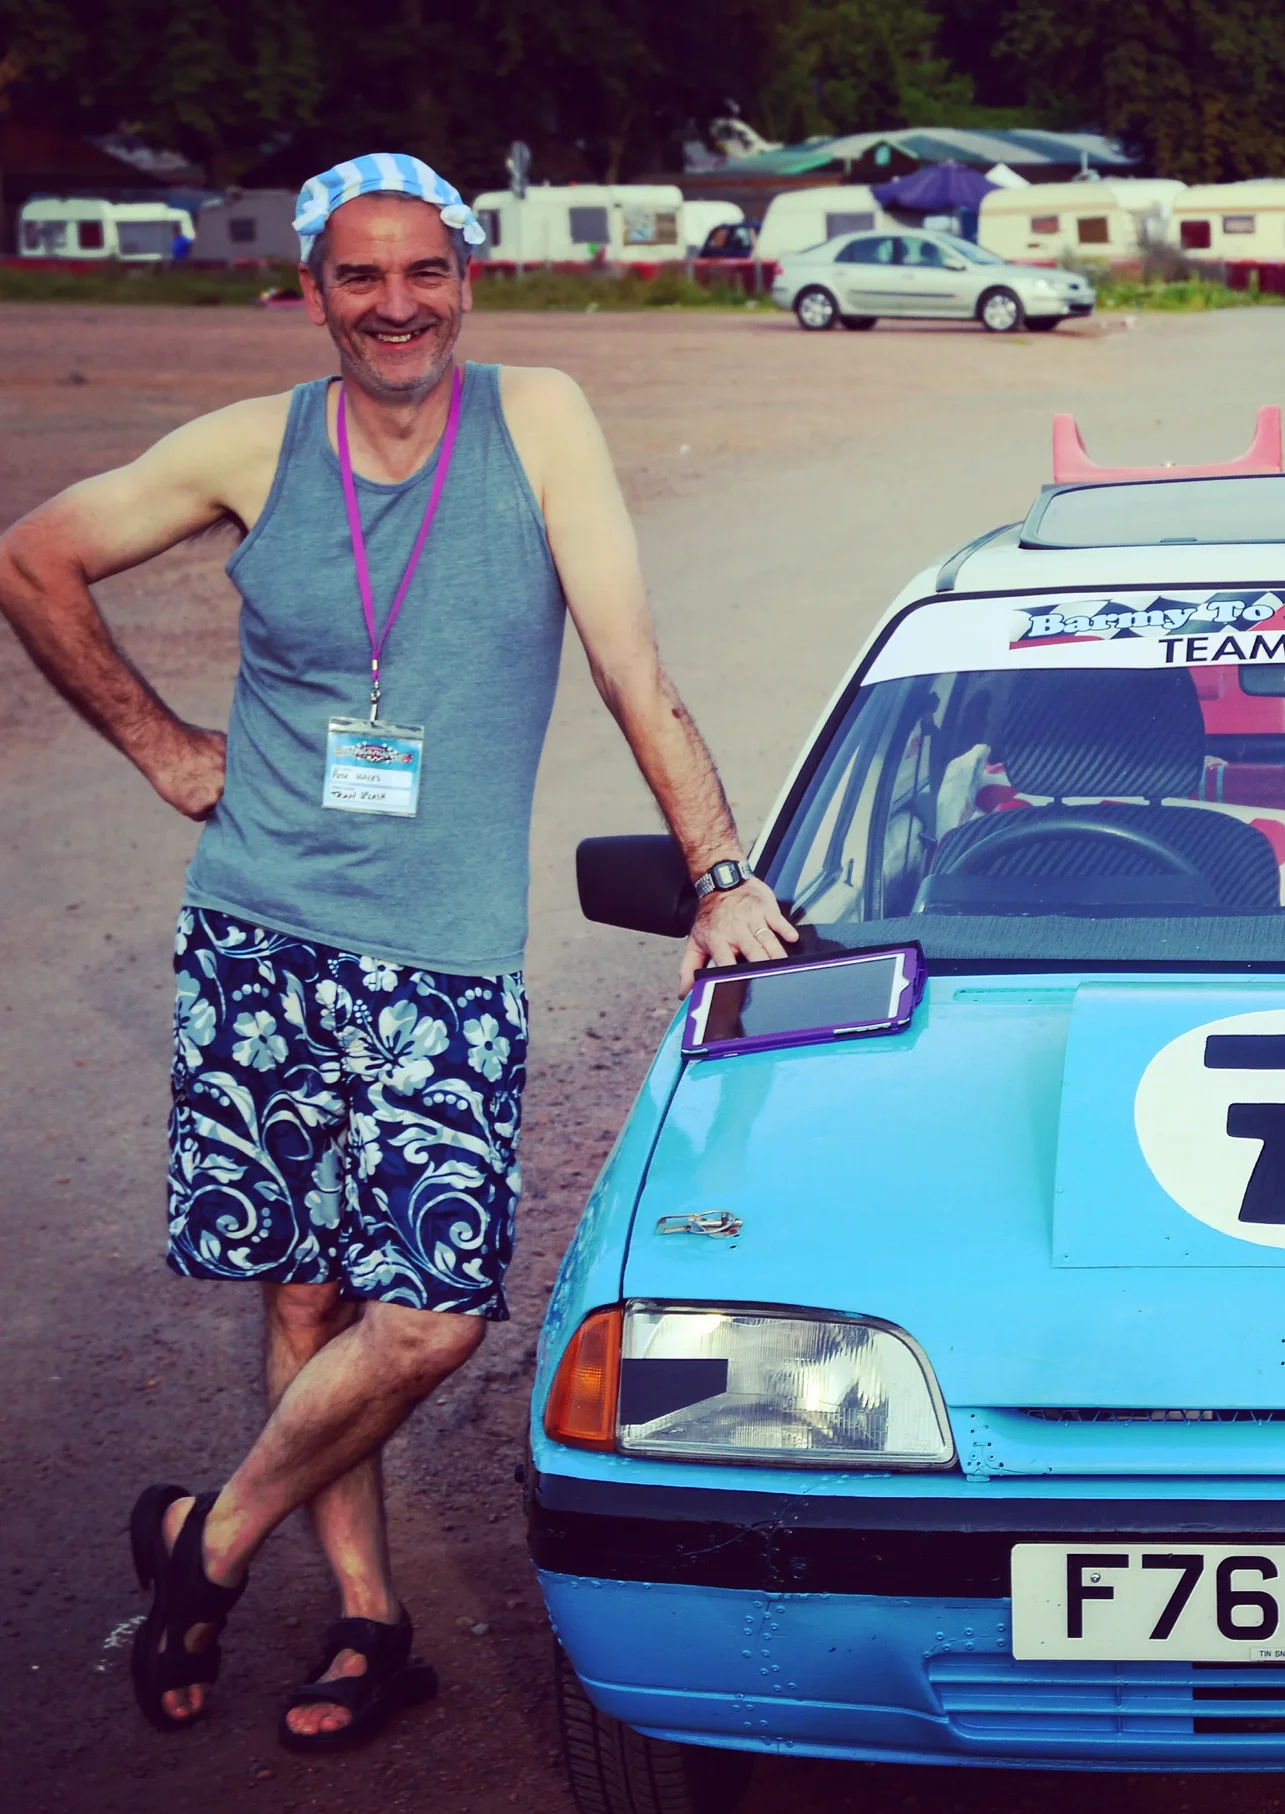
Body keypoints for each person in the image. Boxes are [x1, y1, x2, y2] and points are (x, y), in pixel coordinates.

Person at [0, 154, 795, 1746]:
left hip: (439, 955)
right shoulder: (250, 448)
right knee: (302, 1292)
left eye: (423, 270)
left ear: (467, 278)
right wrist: (166, 749)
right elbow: (34, 556)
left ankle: (203, 1545)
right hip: (261, 929)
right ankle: (369, 1619)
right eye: (358, 276)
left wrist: (718, 871)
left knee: (425, 1311)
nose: (395, 304)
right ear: (312, 293)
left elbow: (632, 664)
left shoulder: (541, 418)